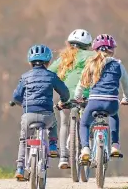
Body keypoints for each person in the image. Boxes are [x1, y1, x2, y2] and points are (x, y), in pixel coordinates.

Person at [13, 44, 70, 179]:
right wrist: (64, 100)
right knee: (54, 123)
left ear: (30, 61)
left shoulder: (25, 77)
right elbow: (65, 92)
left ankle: (20, 168)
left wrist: (19, 103)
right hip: (46, 115)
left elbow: (16, 96)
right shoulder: (51, 76)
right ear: (48, 61)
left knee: (24, 140)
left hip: (28, 116)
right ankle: (52, 145)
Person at [74, 34, 128, 159]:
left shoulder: (91, 64)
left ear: (95, 49)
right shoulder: (119, 65)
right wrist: (126, 98)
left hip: (94, 102)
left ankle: (86, 148)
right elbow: (126, 84)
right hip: (111, 103)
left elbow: (82, 84)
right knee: (114, 116)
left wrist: (77, 97)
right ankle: (115, 145)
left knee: (84, 123)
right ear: (112, 50)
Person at [48, 29, 95, 169]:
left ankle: (63, 157)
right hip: (86, 96)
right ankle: (91, 148)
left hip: (66, 96)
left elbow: (49, 73)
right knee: (88, 122)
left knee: (63, 124)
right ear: (88, 44)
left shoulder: (64, 57)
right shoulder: (93, 56)